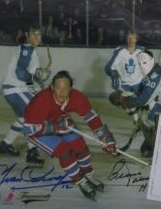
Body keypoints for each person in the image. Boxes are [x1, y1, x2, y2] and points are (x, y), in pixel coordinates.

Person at [23, 71, 117, 200]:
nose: (61, 92)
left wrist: (106, 139)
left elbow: (92, 118)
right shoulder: (41, 100)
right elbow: (28, 129)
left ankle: (88, 175)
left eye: (65, 88)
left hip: (62, 123)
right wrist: (55, 127)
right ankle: (79, 180)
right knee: (64, 151)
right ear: (52, 87)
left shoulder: (77, 97)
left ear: (71, 88)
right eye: (58, 88)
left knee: (81, 148)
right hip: (38, 130)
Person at [0, 23, 51, 165]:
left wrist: (36, 81)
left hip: (13, 90)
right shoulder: (28, 49)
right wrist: (35, 77)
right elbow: (20, 73)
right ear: (26, 35)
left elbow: (25, 75)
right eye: (33, 34)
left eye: (39, 34)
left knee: (23, 118)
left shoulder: (26, 48)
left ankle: (6, 144)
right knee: (35, 117)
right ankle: (32, 152)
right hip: (16, 89)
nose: (36, 37)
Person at [118, 50, 161, 157]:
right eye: (139, 64)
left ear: (152, 61)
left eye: (145, 63)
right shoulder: (156, 67)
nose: (142, 66)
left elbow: (144, 100)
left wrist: (128, 101)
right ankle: (154, 140)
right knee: (148, 119)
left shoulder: (155, 76)